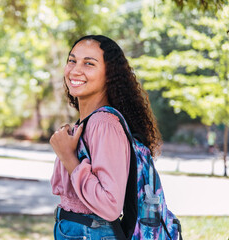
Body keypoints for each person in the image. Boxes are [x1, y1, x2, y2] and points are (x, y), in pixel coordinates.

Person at [50, 35, 162, 240]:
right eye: (72, 60)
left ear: (109, 74)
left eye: (89, 64)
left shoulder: (104, 124)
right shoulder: (89, 122)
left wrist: (68, 157)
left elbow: (110, 206)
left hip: (90, 232)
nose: (75, 70)